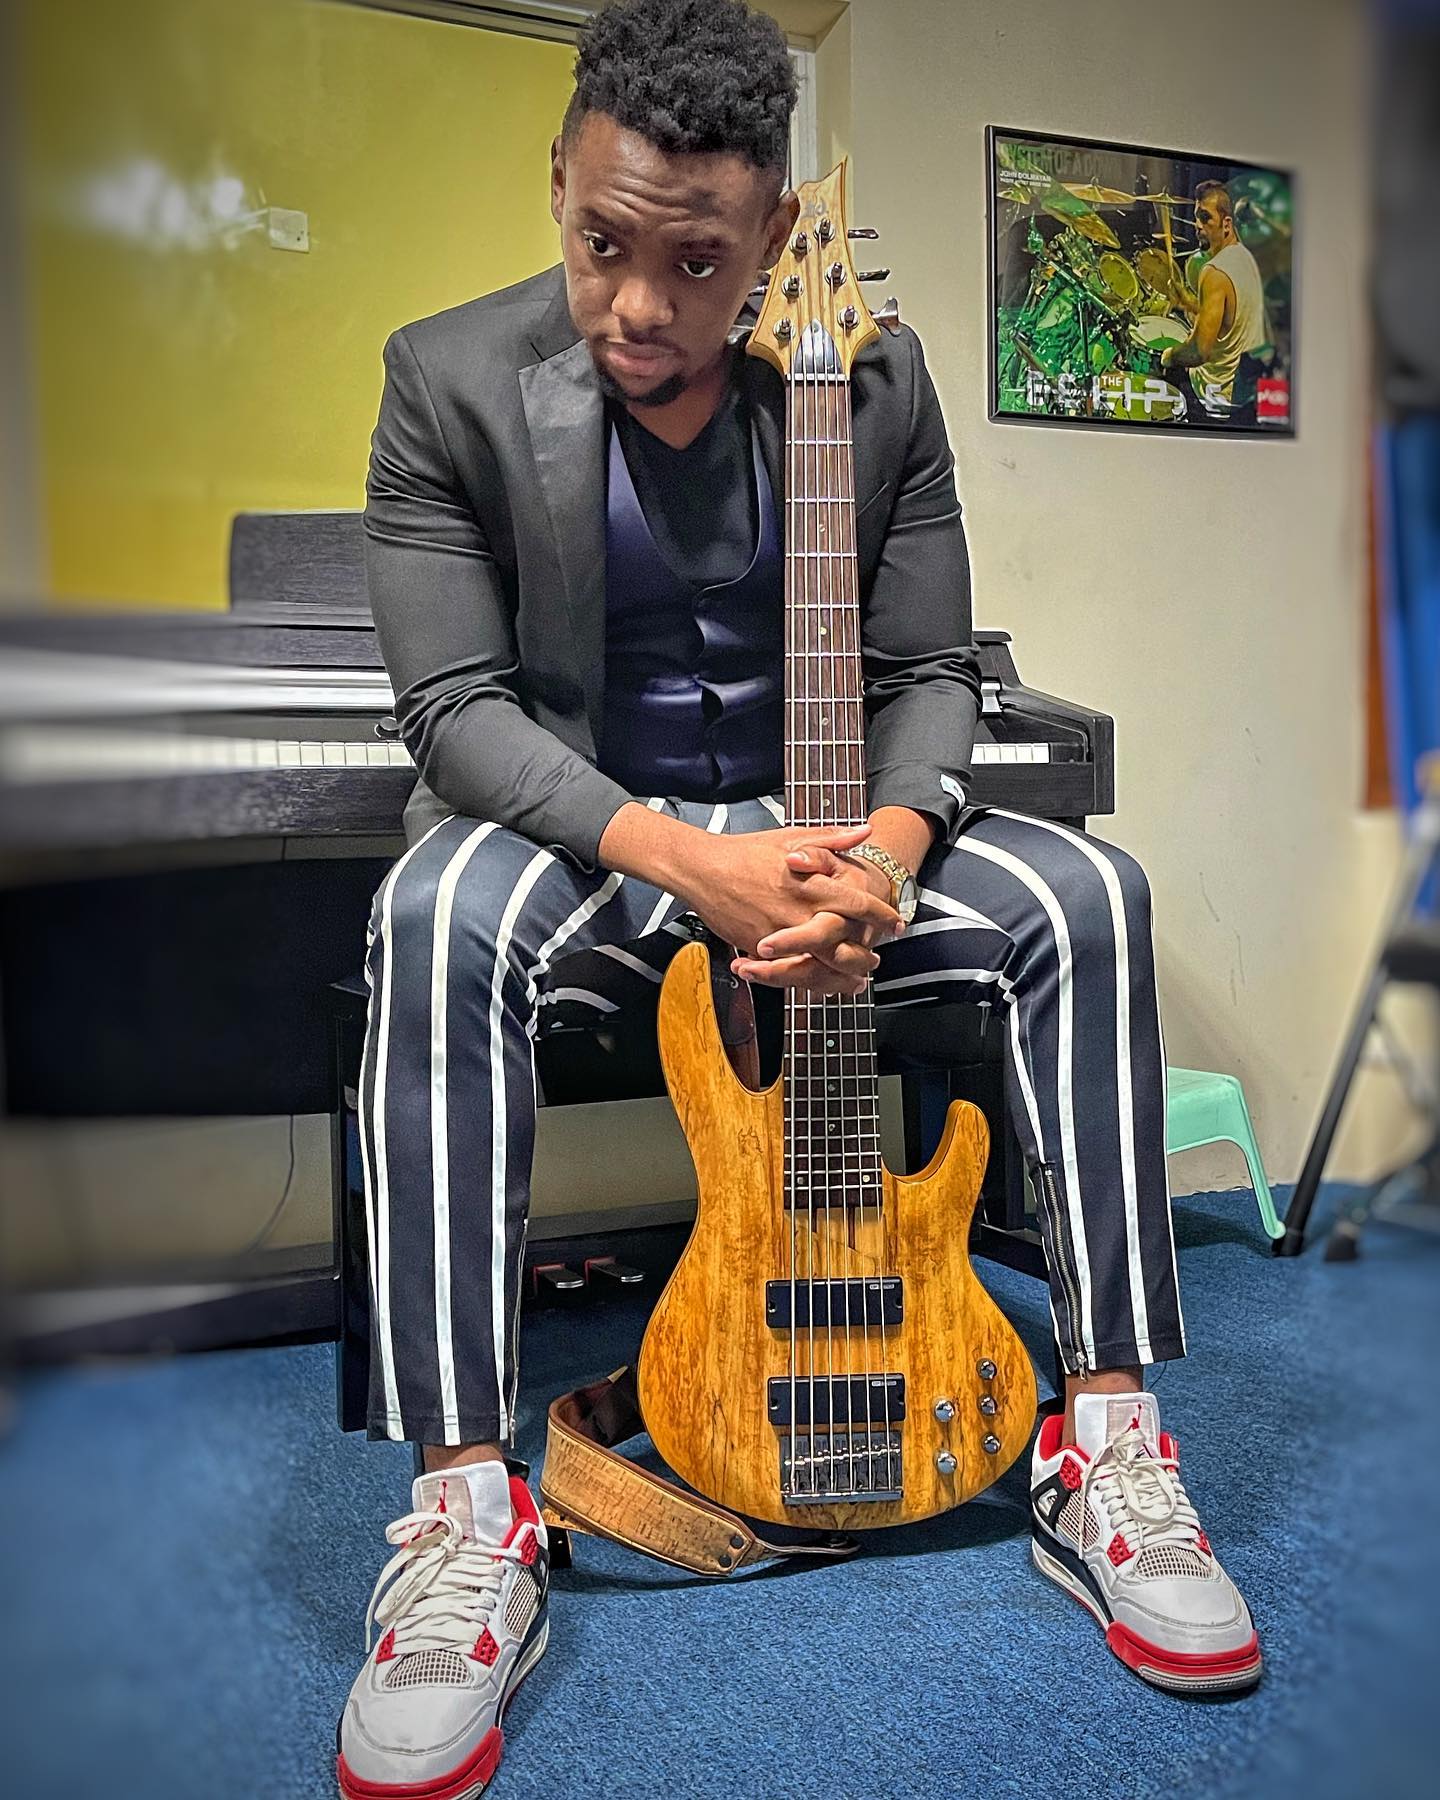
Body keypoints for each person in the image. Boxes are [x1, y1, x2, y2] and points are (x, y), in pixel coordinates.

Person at [336, 4, 1262, 1793]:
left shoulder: (877, 380)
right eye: (602, 242)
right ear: (558, 184)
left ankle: (1107, 1438)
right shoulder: (443, 381)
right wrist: (695, 861)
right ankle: (463, 1510)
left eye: (697, 262)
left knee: (1093, 891)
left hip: (839, 831)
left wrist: (889, 852)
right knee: (429, 916)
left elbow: (930, 670)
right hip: (600, 834)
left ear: (774, 234)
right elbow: (454, 712)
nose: (638, 305)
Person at [1161, 180, 1269, 413]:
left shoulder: (1214, 272)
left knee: (1159, 371)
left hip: (1214, 394)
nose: (1197, 225)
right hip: (1244, 390)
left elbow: (1198, 353)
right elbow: (1229, 320)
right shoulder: (1245, 258)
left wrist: (1169, 356)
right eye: (1196, 217)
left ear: (1226, 223)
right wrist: (1187, 303)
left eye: (1205, 218)